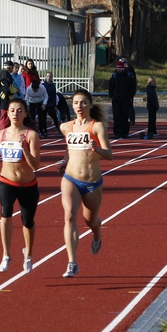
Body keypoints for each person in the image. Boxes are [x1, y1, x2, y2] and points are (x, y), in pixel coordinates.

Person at [58, 89, 113, 278]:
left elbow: (110, 155)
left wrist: (97, 148)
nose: (79, 107)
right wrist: (64, 161)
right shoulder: (66, 127)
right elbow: (69, 148)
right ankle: (72, 262)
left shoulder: (97, 127)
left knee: (90, 220)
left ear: (90, 105)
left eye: (83, 103)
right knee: (70, 216)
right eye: (75, 103)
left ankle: (97, 233)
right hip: (70, 178)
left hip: (92, 182)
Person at [0, 98, 42, 274]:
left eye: (20, 110)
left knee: (28, 222)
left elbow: (36, 165)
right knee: (5, 212)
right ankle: (6, 254)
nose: (15, 114)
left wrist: (24, 149)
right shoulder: (0, 134)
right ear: (7, 112)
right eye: (12, 110)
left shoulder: (31, 135)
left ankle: (28, 254)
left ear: (26, 113)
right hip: (6, 180)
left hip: (28, 183)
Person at [108, 60, 134, 138]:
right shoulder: (114, 75)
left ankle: (125, 133)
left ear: (123, 68)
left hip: (126, 99)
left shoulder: (128, 75)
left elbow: (132, 86)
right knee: (116, 117)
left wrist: (130, 96)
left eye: (120, 68)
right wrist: (111, 95)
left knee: (125, 116)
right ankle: (117, 133)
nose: (119, 70)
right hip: (116, 99)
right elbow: (110, 86)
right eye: (118, 68)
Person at [0, 60, 18, 130]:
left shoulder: (5, 75)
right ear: (9, 67)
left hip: (7, 99)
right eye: (12, 67)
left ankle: (6, 131)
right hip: (5, 99)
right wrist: (16, 90)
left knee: (7, 117)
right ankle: (3, 132)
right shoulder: (4, 76)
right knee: (5, 117)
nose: (13, 69)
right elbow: (6, 90)